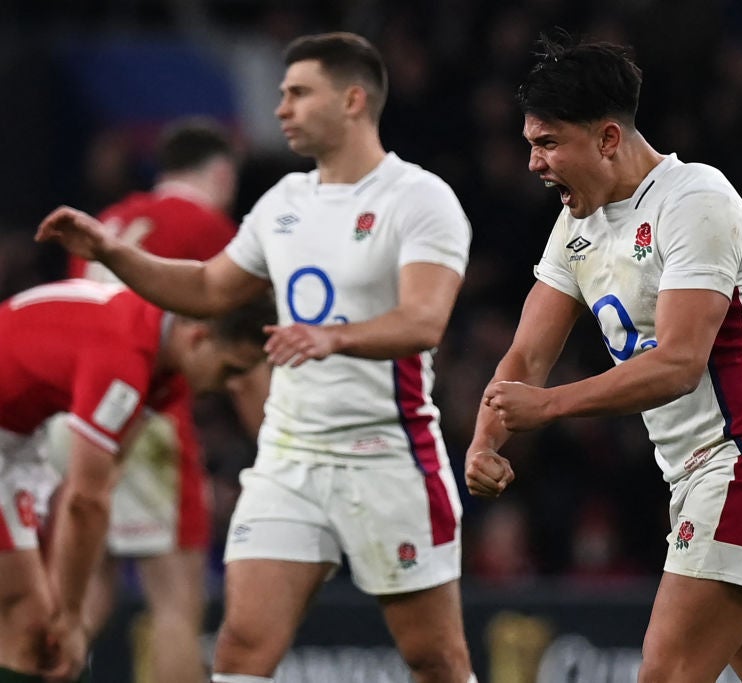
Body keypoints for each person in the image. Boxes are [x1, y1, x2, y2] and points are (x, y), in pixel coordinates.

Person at [37, 31, 477, 683]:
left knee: (433, 657)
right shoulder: (284, 204)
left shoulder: (418, 199)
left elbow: (425, 318)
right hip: (288, 456)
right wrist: (115, 254)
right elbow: (210, 288)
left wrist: (336, 336)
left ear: (353, 100)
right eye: (281, 95)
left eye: (298, 94)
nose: (280, 109)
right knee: (242, 646)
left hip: (385, 453)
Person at [464, 33, 742, 683]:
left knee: (663, 674)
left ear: (608, 138)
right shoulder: (577, 226)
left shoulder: (695, 202)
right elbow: (525, 354)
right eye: (531, 143)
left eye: (548, 143)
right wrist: (486, 439)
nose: (534, 162)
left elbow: (679, 363)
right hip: (709, 475)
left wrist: (550, 406)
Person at [45, 117, 263, 683]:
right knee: (176, 602)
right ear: (220, 172)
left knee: (86, 595)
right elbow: (239, 344)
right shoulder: (207, 226)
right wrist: (272, 441)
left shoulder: (114, 219)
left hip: (70, 413)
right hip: (141, 410)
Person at [0, 280, 275, 683]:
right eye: (231, 368)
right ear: (198, 337)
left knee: (29, 624)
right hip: (10, 441)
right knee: (30, 620)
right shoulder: (127, 359)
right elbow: (85, 500)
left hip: (17, 441)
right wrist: (72, 617)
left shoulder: (160, 357)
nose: (234, 384)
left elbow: (103, 483)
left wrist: (67, 612)